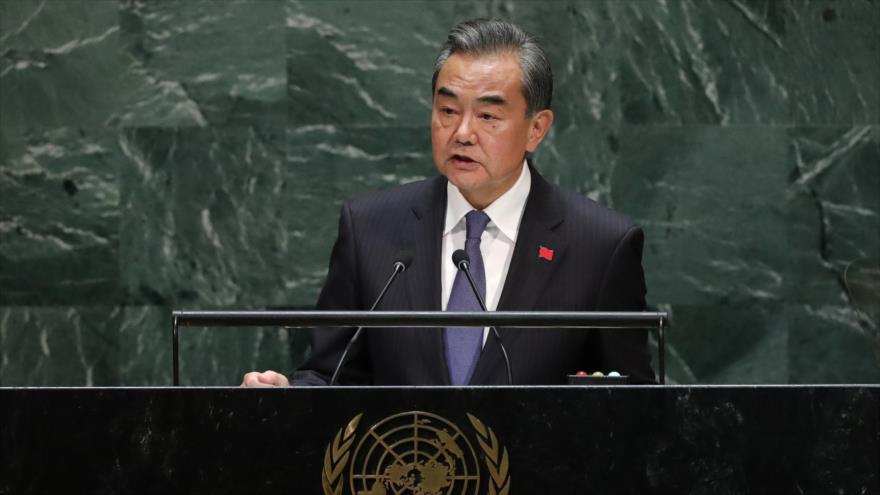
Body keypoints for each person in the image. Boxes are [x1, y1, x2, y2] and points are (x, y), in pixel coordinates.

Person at [241, 18, 654, 387]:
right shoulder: (369, 228)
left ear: (536, 129)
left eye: (488, 117)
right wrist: (288, 396)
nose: (462, 133)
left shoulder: (599, 246)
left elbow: (632, 406)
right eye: (448, 110)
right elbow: (332, 375)